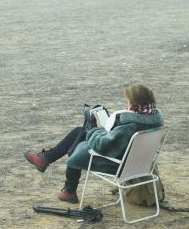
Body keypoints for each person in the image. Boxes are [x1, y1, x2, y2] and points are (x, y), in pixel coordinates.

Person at [23, 84, 164, 203]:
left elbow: (103, 145)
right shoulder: (154, 121)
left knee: (79, 144)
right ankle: (48, 162)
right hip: (139, 163)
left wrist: (93, 127)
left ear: (134, 104)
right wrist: (106, 127)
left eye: (128, 102)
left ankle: (67, 188)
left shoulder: (129, 125)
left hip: (118, 164)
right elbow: (119, 140)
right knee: (80, 131)